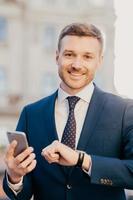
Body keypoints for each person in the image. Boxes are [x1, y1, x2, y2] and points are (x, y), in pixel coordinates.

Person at [3, 23, 133, 200]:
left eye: (87, 56)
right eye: (69, 54)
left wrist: (82, 160)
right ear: (57, 57)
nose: (77, 65)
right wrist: (15, 176)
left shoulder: (124, 110)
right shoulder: (31, 114)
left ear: (100, 61)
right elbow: (21, 194)